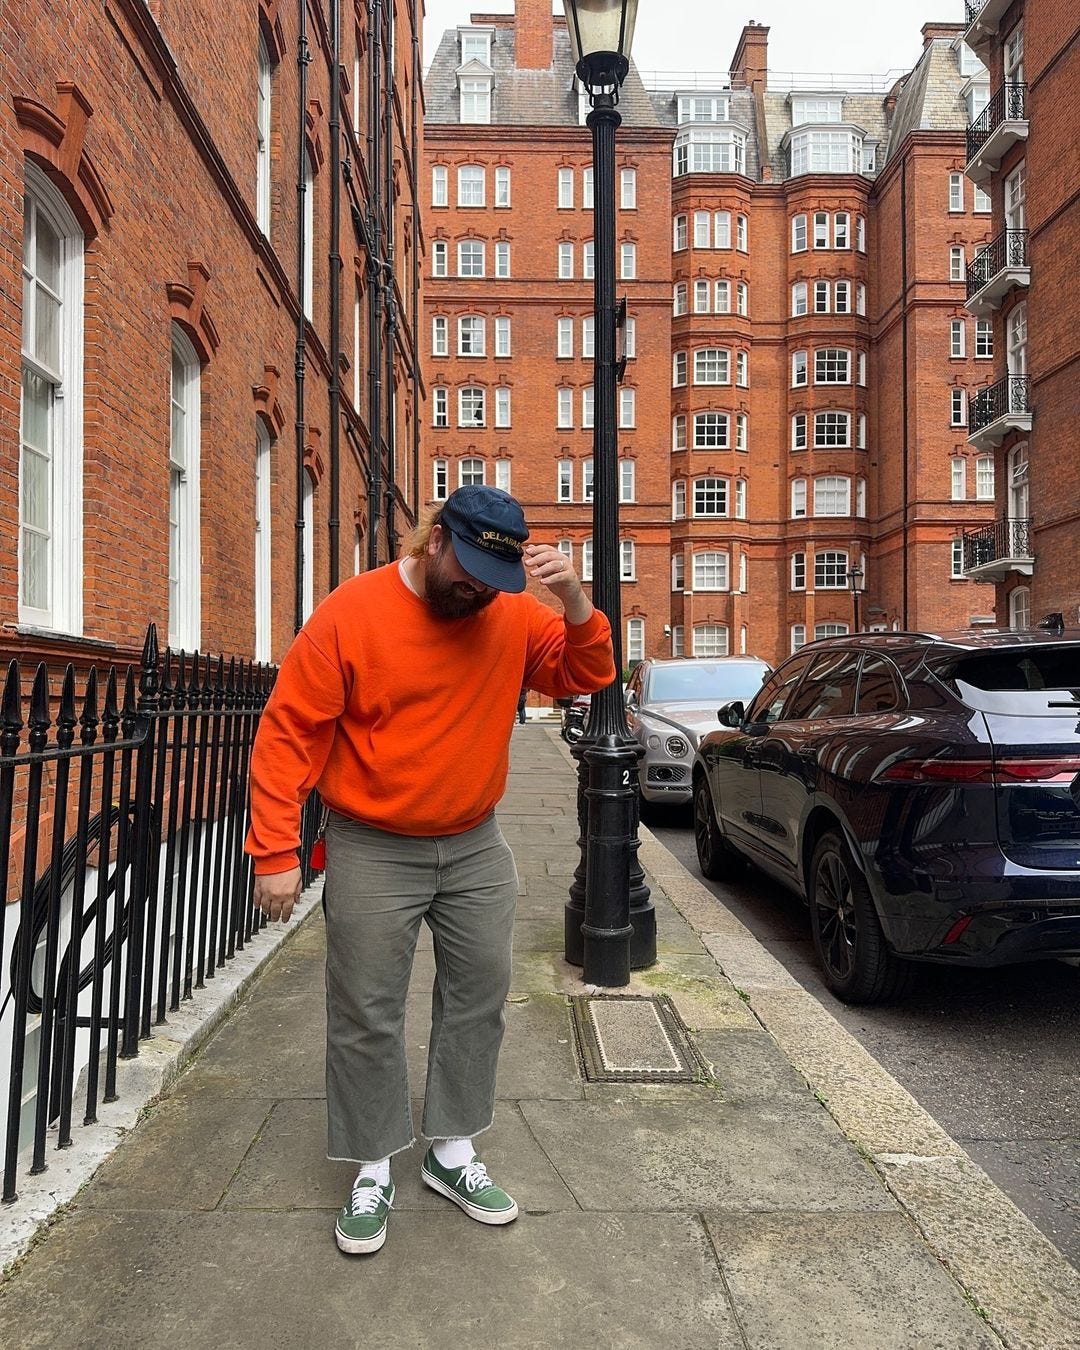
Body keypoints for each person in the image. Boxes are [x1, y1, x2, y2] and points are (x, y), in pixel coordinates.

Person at [246, 485, 615, 1256]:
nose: (479, 590)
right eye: (470, 572)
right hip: (372, 841)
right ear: (435, 540)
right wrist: (275, 852)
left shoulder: (508, 612)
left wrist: (577, 603)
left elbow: (583, 674)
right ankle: (373, 1163)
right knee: (366, 1009)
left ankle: (451, 1150)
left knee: (479, 994)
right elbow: (289, 733)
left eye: (494, 579)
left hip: (474, 840)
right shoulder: (353, 613)